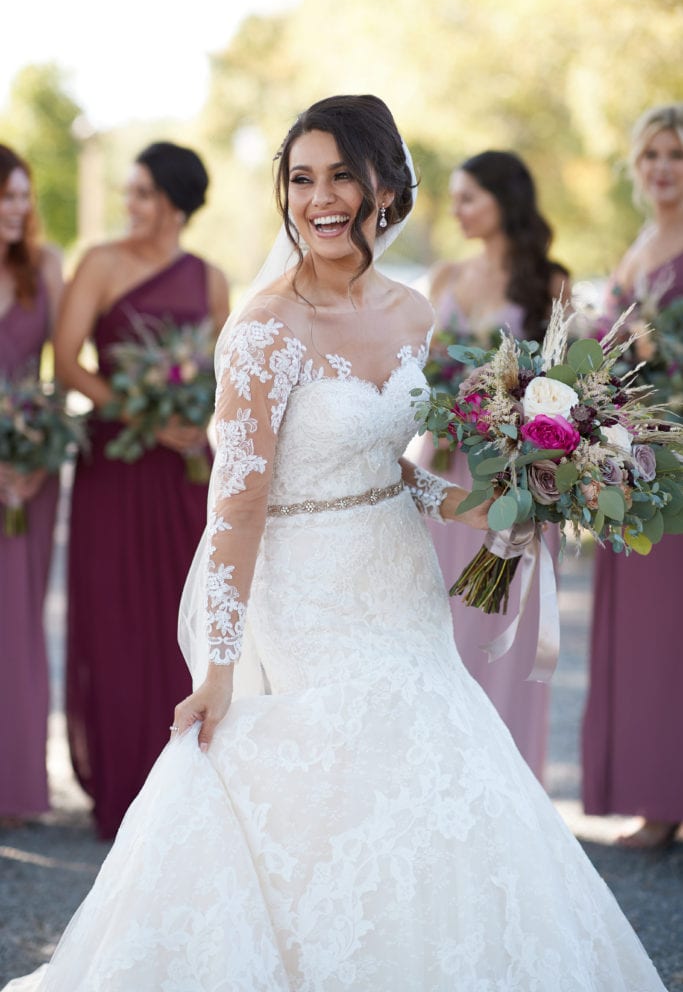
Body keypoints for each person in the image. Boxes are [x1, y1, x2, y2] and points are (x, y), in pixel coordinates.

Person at [5, 96, 665, 990]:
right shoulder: (262, 329)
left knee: (438, 765)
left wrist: (499, 501)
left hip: (398, 580)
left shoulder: (408, 312)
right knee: (329, 785)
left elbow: (388, 469)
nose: (319, 199)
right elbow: (236, 509)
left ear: (386, 188)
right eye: (301, 180)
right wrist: (219, 666)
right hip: (304, 592)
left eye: (341, 177)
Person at [54, 141, 230, 839]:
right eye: (129, 192)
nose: (131, 206)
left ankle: (184, 782)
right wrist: (146, 417)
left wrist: (193, 421)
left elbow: (225, 373)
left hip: (185, 471)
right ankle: (123, 788)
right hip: (115, 465)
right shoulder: (99, 262)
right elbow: (68, 363)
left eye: (143, 194)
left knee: (180, 619)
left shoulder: (211, 279)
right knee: (112, 616)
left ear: (176, 204)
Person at [412, 151, 568, 781]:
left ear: (506, 201)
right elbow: (417, 371)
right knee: (436, 622)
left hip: (516, 477)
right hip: (445, 468)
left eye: (469, 196)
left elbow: (566, 387)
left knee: (506, 628)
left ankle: (504, 784)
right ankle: (436, 777)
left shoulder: (548, 282)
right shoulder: (445, 275)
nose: (456, 209)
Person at [582, 103, 683, 849]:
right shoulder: (640, 242)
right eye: (649, 154)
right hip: (638, 456)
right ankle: (655, 795)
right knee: (652, 631)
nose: (660, 168)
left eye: (674, 154)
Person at [0, 145, 62, 826]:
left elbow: (58, 372)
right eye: (6, 198)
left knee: (18, 625)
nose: (19, 210)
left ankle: (15, 786)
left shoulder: (45, 267)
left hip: (32, 473)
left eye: (24, 197)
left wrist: (36, 459)